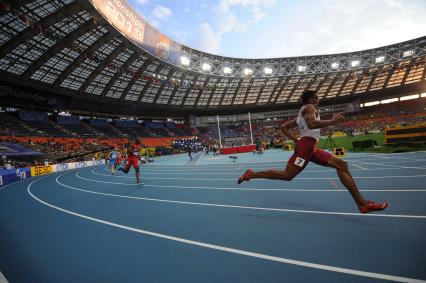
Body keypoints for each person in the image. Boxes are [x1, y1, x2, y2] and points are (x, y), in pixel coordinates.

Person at [237, 90, 389, 214]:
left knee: (342, 164)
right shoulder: (309, 108)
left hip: (310, 147)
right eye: (315, 97)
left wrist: (296, 140)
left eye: (317, 97)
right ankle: (252, 174)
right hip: (306, 147)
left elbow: (284, 126)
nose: (318, 99)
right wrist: (332, 121)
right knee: (288, 175)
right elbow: (311, 123)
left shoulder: (301, 113)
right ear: (309, 99)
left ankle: (362, 204)